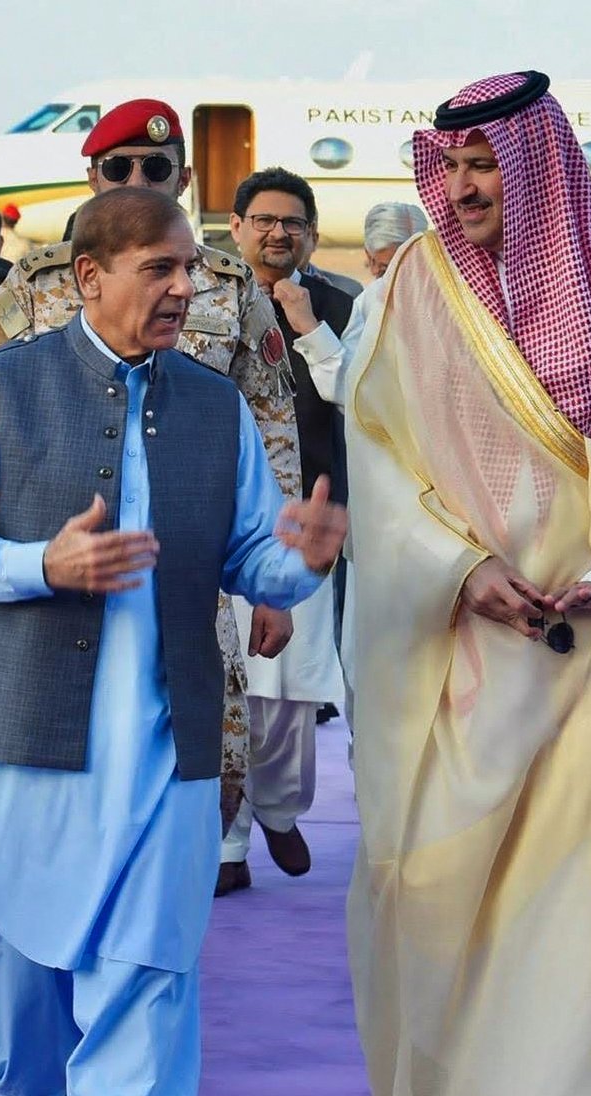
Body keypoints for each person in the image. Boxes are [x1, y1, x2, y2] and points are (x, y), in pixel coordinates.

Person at [345, 70, 591, 1095]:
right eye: (451, 168)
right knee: (447, 895)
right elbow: (377, 458)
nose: (463, 189)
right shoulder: (414, 284)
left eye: (484, 165)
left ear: (535, 164)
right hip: (471, 650)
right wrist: (462, 568)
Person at [0, 185, 346, 1095]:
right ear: (89, 276)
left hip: (164, 750)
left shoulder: (215, 406)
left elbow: (250, 559)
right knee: (27, 1005)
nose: (184, 287)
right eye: (159, 268)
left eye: (187, 268)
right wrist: (43, 564)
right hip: (23, 739)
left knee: (150, 979)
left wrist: (303, 563)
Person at [0, 99, 302, 832]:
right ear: (93, 177)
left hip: (188, 566)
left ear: (182, 179)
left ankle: (198, 864)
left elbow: (270, 422)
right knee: (53, 761)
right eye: (119, 168)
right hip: (63, 569)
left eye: (156, 168)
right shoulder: (37, 281)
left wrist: (277, 577)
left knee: (208, 750)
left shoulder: (226, 284)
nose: (138, 180)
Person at [214, 168, 353, 893]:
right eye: (263, 220)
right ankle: (229, 844)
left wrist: (308, 328)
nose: (277, 233)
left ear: (312, 235)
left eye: (292, 223)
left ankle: (277, 806)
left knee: (291, 693)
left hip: (310, 524)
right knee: (233, 682)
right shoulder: (205, 301)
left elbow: (366, 401)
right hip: (226, 521)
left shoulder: (342, 305)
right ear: (235, 228)